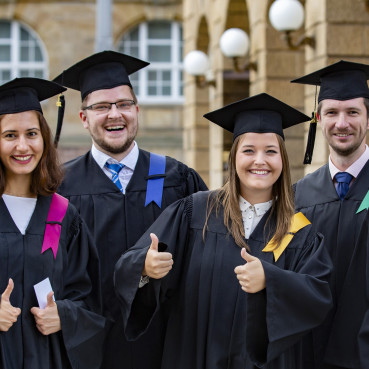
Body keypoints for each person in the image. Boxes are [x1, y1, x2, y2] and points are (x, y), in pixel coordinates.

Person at [114, 93, 333, 369]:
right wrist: (144, 267)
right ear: (234, 157)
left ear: (283, 160)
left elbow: (318, 296)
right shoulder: (196, 212)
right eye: (249, 150)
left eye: (271, 151)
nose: (260, 160)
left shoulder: (299, 232)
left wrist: (271, 280)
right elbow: (128, 265)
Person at [54, 50, 208, 369]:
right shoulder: (60, 189)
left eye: (124, 104)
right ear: (84, 118)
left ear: (137, 110)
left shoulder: (176, 179)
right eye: (102, 107)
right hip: (89, 351)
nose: (115, 114)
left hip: (165, 346)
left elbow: (208, 260)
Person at [0, 77, 105, 369]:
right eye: (10, 135)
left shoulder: (61, 214)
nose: (23, 146)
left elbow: (88, 297)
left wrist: (65, 315)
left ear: (44, 139)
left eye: (31, 133)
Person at [291, 60, 369, 369]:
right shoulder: (298, 197)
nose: (342, 123)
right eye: (332, 113)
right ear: (319, 118)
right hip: (308, 352)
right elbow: (280, 268)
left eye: (353, 112)